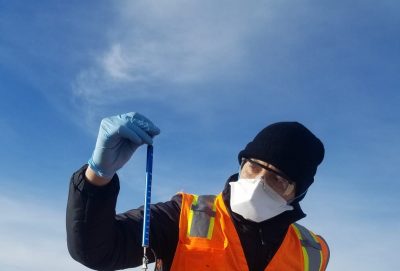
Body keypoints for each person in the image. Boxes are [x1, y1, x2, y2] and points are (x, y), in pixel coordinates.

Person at [66, 112, 330, 271]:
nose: (259, 182)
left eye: (277, 179)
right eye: (253, 167)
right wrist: (97, 177)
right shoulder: (183, 216)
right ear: (241, 164)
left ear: (297, 193)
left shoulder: (313, 251)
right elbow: (95, 250)